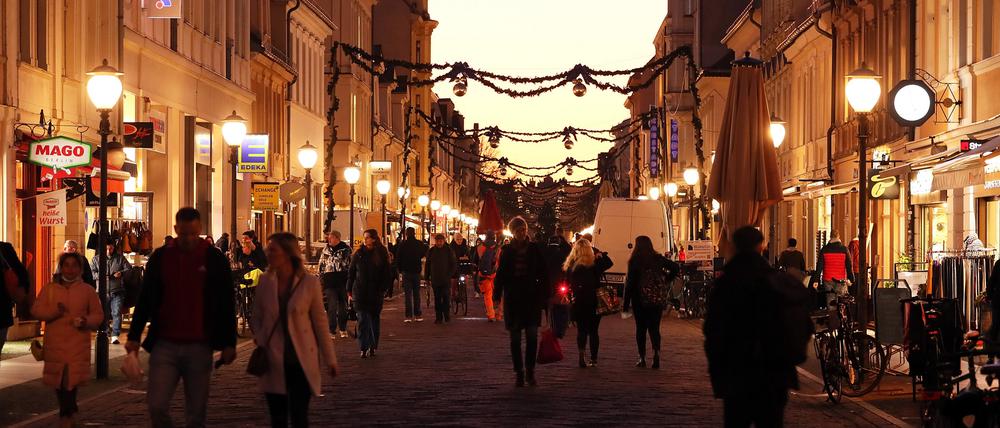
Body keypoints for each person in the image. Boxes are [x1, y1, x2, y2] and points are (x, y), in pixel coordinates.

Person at [126, 208, 237, 428]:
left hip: (200, 344)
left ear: (200, 230)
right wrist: (134, 335)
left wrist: (229, 342)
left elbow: (226, 302)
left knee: (196, 413)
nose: (188, 239)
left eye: (193, 234)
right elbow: (146, 297)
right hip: (164, 344)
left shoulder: (214, 259)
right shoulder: (161, 257)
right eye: (184, 234)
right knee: (156, 405)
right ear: (176, 229)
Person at [704, 226, 812, 428]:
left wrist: (718, 374)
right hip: (774, 374)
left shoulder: (726, 285)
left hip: (736, 374)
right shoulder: (779, 283)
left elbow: (713, 333)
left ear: (733, 247)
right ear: (761, 247)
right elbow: (803, 325)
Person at [252, 233, 338, 428]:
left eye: (273, 249)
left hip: (301, 359)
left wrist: (330, 359)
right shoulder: (265, 281)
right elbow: (256, 316)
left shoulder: (309, 283)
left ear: (288, 253)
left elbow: (320, 323)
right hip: (273, 359)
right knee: (278, 418)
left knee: (299, 415)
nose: (268, 253)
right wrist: (261, 337)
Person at [31, 252, 103, 428]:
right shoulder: (50, 289)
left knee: (71, 381)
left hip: (77, 343)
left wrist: (85, 321)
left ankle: (66, 414)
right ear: (61, 267)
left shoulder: (87, 290)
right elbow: (36, 310)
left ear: (80, 268)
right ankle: (68, 413)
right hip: (55, 342)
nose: (70, 269)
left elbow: (98, 315)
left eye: (74, 265)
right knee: (59, 380)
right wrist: (54, 313)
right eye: (66, 265)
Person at [494, 216, 548, 387]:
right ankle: (519, 372)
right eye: (518, 230)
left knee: (532, 337)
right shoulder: (507, 250)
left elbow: (543, 272)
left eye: (523, 230)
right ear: (513, 232)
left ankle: (530, 371)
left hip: (531, 298)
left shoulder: (534, 249)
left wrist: (546, 294)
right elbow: (501, 275)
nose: (521, 233)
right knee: (515, 340)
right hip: (514, 299)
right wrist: (496, 295)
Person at [623, 235, 680, 369]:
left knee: (641, 329)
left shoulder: (634, 261)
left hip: (639, 300)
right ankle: (656, 354)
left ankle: (642, 358)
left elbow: (630, 284)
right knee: (655, 328)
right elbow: (675, 267)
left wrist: (625, 305)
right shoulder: (658, 258)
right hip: (655, 299)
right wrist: (666, 278)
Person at [564, 238, 613, 368]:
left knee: (581, 330)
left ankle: (581, 354)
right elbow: (609, 262)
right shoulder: (595, 264)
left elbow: (567, 283)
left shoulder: (572, 265)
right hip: (594, 301)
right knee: (593, 331)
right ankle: (593, 359)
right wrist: (599, 253)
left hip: (579, 301)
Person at [347, 229, 393, 358]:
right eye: (364, 237)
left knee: (373, 320)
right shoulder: (358, 254)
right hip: (360, 292)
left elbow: (387, 274)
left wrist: (383, 289)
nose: (365, 240)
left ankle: (372, 346)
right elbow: (351, 273)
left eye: (367, 237)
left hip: (375, 293)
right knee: (362, 320)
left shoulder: (381, 253)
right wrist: (349, 290)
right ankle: (363, 347)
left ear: (373, 239)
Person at [91, 242, 131, 344]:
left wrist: (121, 273)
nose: (109, 251)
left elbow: (129, 269)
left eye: (111, 249)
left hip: (117, 290)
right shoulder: (96, 259)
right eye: (107, 249)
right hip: (102, 291)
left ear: (114, 248)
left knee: (116, 312)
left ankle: (115, 335)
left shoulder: (120, 258)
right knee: (104, 313)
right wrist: (101, 276)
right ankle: (106, 331)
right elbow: (92, 272)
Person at [319, 230, 353, 337]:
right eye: (329, 238)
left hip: (342, 281)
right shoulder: (325, 250)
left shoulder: (346, 250)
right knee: (331, 306)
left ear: (337, 238)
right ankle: (331, 330)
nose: (329, 240)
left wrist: (350, 280)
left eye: (331, 238)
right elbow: (322, 264)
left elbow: (350, 265)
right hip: (329, 282)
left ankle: (342, 328)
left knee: (343, 306)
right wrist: (321, 278)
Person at [810, 231, 854, 308]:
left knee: (830, 302)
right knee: (842, 302)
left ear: (830, 237)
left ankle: (833, 318)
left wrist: (816, 280)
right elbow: (849, 266)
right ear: (839, 237)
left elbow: (819, 266)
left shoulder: (824, 249)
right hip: (841, 280)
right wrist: (851, 278)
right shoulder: (844, 249)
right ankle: (842, 318)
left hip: (828, 279)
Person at [0, 242, 29, 358]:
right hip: (2, 311)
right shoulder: (4, 249)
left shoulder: (4, 249)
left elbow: (21, 275)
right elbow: (22, 275)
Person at [394, 227, 428, 323]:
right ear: (414, 233)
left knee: (408, 295)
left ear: (406, 234)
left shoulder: (403, 244)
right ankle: (418, 315)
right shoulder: (419, 244)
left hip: (406, 271)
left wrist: (400, 270)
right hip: (416, 271)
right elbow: (423, 253)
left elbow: (398, 257)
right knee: (416, 294)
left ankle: (408, 316)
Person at [425, 234, 457, 324]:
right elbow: (427, 265)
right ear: (435, 241)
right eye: (437, 241)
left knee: (446, 298)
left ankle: (447, 316)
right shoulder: (431, 251)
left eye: (441, 241)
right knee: (437, 299)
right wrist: (427, 277)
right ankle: (438, 317)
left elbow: (453, 264)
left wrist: (450, 275)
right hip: (435, 279)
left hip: (445, 279)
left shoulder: (449, 250)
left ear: (444, 241)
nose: (439, 242)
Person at [476, 231, 503, 322]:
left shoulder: (480, 247)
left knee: (488, 295)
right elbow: (500, 261)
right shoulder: (498, 247)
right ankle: (498, 315)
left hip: (484, 274)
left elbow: (476, 260)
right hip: (496, 274)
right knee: (498, 294)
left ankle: (490, 315)